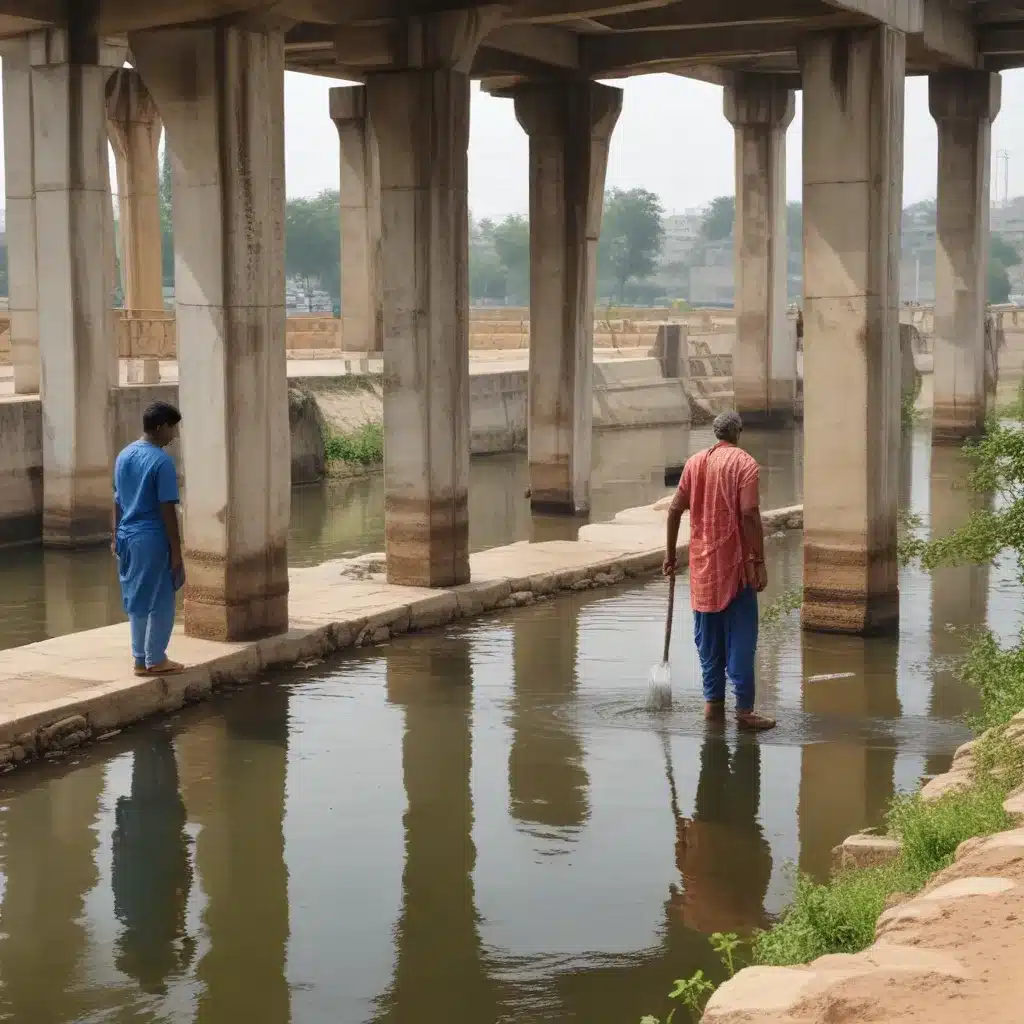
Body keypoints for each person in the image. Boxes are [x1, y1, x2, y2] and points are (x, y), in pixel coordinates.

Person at [663, 411, 774, 730]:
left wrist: (671, 557)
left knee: (708, 642)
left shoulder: (695, 463)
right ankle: (744, 711)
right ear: (738, 431)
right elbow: (750, 514)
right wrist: (759, 560)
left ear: (715, 433)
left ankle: (713, 706)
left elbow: (674, 512)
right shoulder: (744, 464)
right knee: (741, 638)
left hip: (702, 572)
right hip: (736, 570)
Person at [112, 402, 185, 677]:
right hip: (152, 537)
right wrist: (176, 551)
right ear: (160, 427)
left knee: (137, 598)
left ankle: (140, 658)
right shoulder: (161, 461)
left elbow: (117, 500)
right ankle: (155, 658)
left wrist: (114, 536)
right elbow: (167, 510)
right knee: (162, 599)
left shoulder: (124, 455)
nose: (174, 435)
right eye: (172, 428)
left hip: (127, 535)